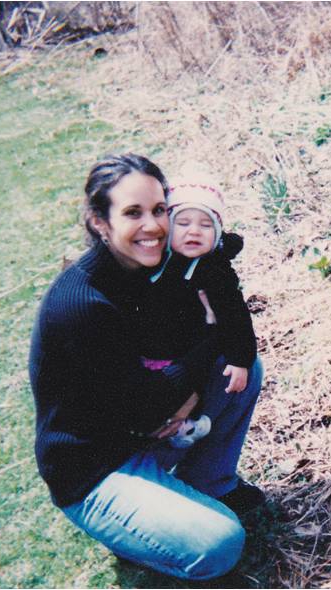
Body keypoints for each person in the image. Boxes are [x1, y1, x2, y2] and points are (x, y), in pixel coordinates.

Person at [29, 153, 263, 581]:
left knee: (241, 370)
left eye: (159, 210)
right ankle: (132, 535)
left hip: (143, 427)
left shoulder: (150, 269)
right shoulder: (82, 304)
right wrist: (212, 337)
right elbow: (148, 410)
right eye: (133, 213)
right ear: (100, 221)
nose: (153, 226)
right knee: (220, 544)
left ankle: (210, 484)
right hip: (94, 467)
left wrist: (213, 354)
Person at [135, 171, 258, 451]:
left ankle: (187, 425)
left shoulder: (214, 272)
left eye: (206, 225)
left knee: (191, 386)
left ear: (217, 233)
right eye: (183, 223)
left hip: (188, 353)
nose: (194, 231)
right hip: (150, 353)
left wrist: (240, 360)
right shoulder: (155, 261)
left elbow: (235, 317)